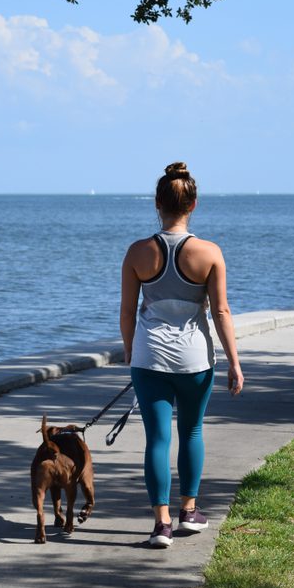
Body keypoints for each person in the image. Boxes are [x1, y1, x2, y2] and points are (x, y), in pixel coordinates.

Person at [120, 162, 244, 548]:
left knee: (157, 439)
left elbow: (127, 311)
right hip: (195, 360)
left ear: (157, 204)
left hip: (149, 359)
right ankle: (189, 512)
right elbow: (221, 312)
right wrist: (235, 363)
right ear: (194, 205)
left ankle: (161, 525)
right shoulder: (209, 253)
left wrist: (131, 353)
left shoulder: (138, 252)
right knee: (191, 430)